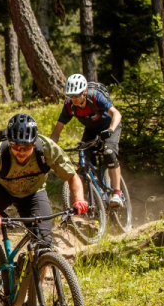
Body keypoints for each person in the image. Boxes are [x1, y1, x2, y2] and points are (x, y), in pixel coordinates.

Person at [0, 114, 88, 288]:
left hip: (33, 193)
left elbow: (72, 177)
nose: (21, 151)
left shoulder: (47, 149)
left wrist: (79, 199)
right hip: (1, 189)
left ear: (34, 142)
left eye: (27, 147)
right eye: (16, 146)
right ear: (10, 142)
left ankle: (34, 296)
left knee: (44, 245)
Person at [49, 73, 124, 208]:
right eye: (71, 96)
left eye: (77, 95)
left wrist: (111, 129)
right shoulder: (69, 106)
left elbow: (116, 114)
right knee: (84, 159)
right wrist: (50, 147)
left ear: (84, 91)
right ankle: (93, 192)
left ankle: (117, 193)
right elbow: (57, 130)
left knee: (108, 152)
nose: (74, 99)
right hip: (92, 129)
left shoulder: (95, 97)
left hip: (110, 126)